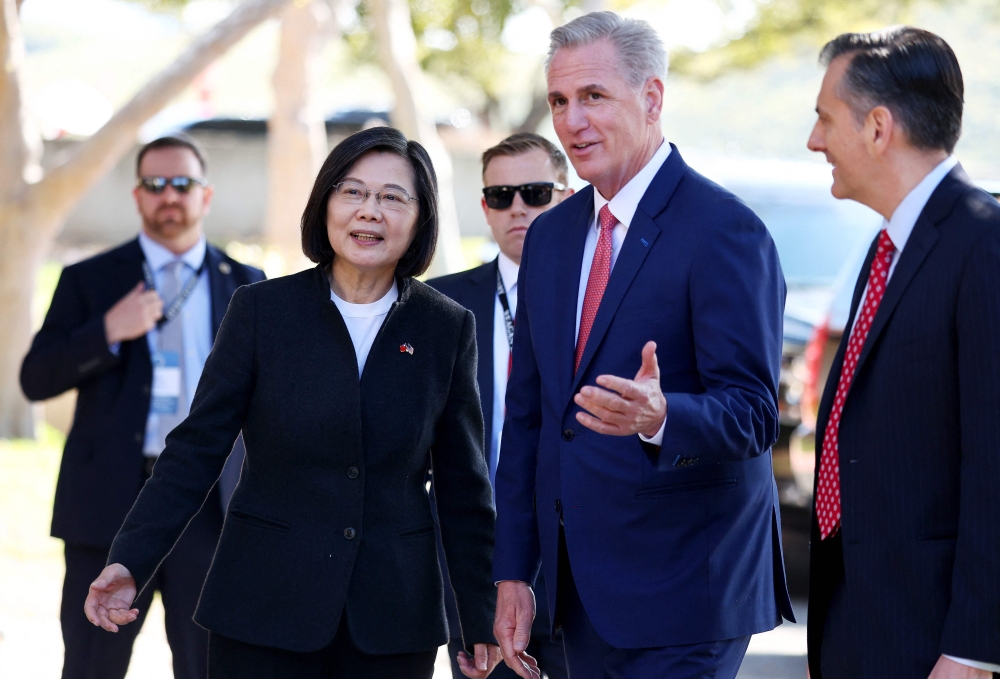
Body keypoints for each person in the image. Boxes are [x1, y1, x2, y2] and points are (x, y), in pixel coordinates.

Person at [82, 126, 502, 679]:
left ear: (421, 217)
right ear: (324, 205)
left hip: (391, 618)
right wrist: (131, 558)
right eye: (352, 192)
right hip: (263, 607)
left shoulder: (446, 327)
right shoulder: (262, 312)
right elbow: (194, 450)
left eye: (392, 197)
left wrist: (478, 616)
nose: (369, 212)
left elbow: (462, 486)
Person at [491, 11, 794, 679]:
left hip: (689, 589)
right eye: (560, 102)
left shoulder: (725, 231)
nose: (572, 121)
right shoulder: (550, 237)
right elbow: (528, 418)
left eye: (594, 96)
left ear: (652, 97)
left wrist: (662, 416)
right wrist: (515, 570)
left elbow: (752, 413)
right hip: (578, 593)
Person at [20, 134, 262, 679]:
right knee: (91, 665)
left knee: (210, 667)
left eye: (183, 184)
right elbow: (35, 378)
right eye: (155, 185)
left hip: (209, 508)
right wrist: (107, 330)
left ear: (207, 194)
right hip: (109, 502)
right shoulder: (90, 279)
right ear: (137, 196)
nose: (168, 196)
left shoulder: (248, 285)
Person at [805, 27, 1000, 679]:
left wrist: (974, 648)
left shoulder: (984, 244)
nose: (814, 141)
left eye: (824, 120)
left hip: (937, 644)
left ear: (878, 127)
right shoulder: (886, 248)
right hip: (859, 629)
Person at [429, 132, 573, 679]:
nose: (518, 208)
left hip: (581, 557)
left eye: (536, 192)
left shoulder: (604, 290)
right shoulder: (440, 304)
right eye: (500, 196)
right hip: (479, 562)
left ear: (567, 194)